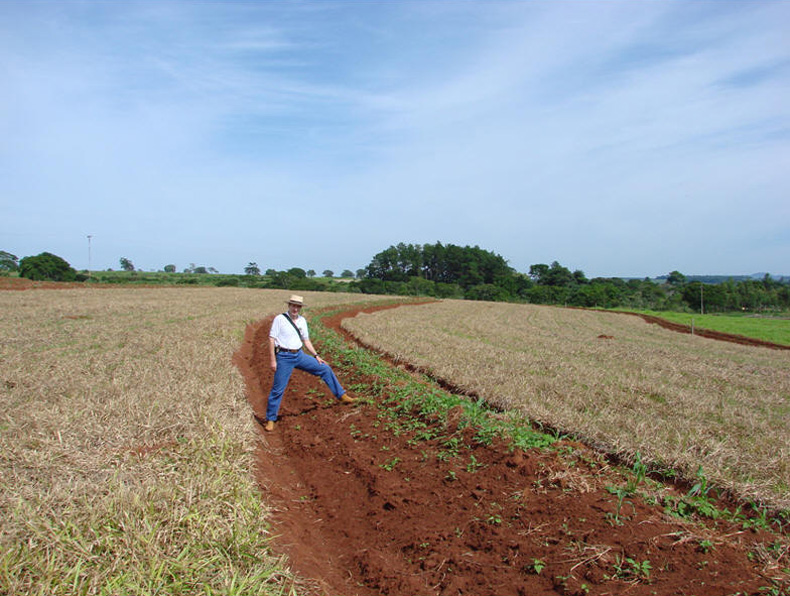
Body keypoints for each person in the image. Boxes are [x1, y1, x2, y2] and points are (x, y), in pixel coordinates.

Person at [264, 294, 355, 431]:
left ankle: (341, 395)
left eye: (298, 306)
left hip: (299, 355)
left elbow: (306, 340)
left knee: (324, 368)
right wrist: (273, 360)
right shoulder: (280, 319)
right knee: (278, 389)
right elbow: (271, 339)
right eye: (293, 305)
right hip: (284, 356)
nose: (295, 308)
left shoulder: (302, 321)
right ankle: (271, 419)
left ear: (300, 308)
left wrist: (316, 355)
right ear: (289, 305)